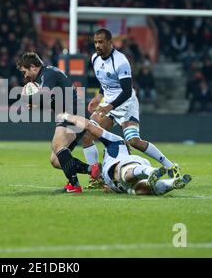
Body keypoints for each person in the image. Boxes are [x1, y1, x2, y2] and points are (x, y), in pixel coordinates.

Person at [82, 29, 180, 189]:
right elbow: (104, 81)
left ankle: (171, 166)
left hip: (126, 104)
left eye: (101, 42)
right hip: (109, 103)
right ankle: (96, 178)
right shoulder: (95, 58)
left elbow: (127, 91)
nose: (97, 45)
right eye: (95, 42)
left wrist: (108, 107)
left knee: (133, 141)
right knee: (87, 135)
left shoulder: (121, 61)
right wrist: (99, 97)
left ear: (109, 42)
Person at [16, 52, 100, 193]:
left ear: (33, 67)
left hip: (72, 114)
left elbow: (44, 96)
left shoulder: (47, 74)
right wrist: (37, 104)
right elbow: (51, 100)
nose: (25, 76)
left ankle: (74, 185)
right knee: (56, 160)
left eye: (25, 72)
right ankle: (93, 170)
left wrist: (27, 99)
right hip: (68, 114)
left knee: (57, 145)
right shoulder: (45, 76)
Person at [59, 112, 192, 195]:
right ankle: (172, 183)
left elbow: (89, 126)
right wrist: (108, 187)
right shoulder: (107, 160)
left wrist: (68, 116)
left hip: (127, 165)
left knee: (124, 173)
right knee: (141, 189)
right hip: (121, 184)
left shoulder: (117, 142)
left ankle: (151, 171)